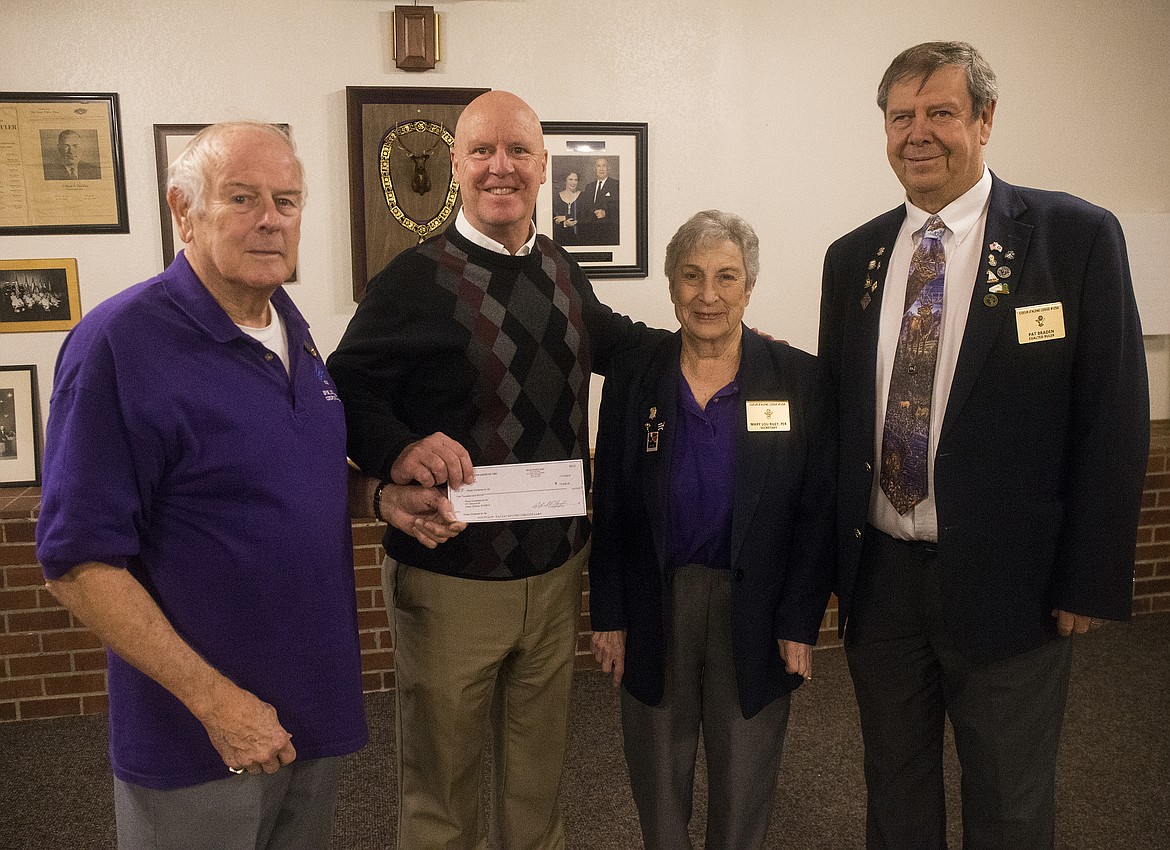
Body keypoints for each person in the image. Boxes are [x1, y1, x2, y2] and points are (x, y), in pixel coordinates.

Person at [34, 121, 459, 848]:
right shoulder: (119, 345)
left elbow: (288, 477)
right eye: (242, 198)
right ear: (183, 211)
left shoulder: (290, 328)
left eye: (287, 201)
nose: (271, 219)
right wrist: (217, 704)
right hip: (198, 735)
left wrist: (381, 499)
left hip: (309, 710)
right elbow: (77, 562)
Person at [818, 41, 1150, 849]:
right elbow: (838, 412)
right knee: (893, 792)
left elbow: (1114, 417)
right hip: (884, 582)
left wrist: (1091, 578)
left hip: (1015, 584)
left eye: (941, 112)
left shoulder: (1071, 238)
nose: (918, 133)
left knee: (1008, 799)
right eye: (901, 117)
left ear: (985, 120)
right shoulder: (852, 257)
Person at [327, 90, 660, 850]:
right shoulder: (411, 280)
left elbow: (617, 343)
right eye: (482, 151)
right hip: (452, 580)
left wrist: (726, 345)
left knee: (537, 779)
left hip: (552, 570)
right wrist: (397, 451)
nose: (499, 167)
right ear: (456, 166)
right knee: (443, 786)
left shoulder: (558, 266)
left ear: (544, 167)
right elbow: (343, 388)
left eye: (517, 151)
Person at [589, 210, 834, 849]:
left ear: (749, 287)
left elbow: (815, 513)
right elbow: (610, 502)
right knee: (657, 767)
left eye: (726, 277)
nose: (708, 295)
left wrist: (799, 623)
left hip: (755, 605)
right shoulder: (636, 376)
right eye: (692, 277)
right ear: (671, 286)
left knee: (745, 768)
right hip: (656, 600)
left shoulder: (797, 378)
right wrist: (608, 614)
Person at [578, 156, 620, 245]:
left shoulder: (616, 185)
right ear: (595, 169)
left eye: (604, 166)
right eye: (598, 166)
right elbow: (584, 208)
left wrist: (606, 213)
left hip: (609, 233)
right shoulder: (589, 187)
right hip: (590, 233)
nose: (601, 169)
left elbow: (622, 209)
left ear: (608, 168)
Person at [552, 170, 581, 245]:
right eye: (570, 179)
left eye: (575, 180)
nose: (573, 182)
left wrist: (565, 217)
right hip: (560, 238)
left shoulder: (583, 196)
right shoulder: (556, 197)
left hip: (579, 237)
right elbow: (554, 219)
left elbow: (585, 214)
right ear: (565, 181)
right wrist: (564, 223)